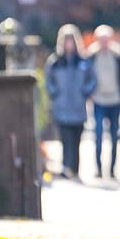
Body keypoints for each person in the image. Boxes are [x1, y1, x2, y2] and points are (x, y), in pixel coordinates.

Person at [45, 24, 96, 182]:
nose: (69, 45)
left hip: (78, 107)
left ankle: (75, 168)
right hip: (62, 107)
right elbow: (49, 82)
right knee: (65, 140)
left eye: (71, 41)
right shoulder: (55, 62)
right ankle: (66, 167)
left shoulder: (83, 60)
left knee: (76, 140)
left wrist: (85, 92)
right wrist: (55, 94)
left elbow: (92, 79)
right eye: (66, 41)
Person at [88, 25, 120, 179]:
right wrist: (90, 93)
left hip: (115, 99)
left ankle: (112, 169)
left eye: (106, 39)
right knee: (98, 135)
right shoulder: (91, 56)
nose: (104, 42)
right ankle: (99, 168)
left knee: (114, 136)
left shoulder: (119, 55)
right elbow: (87, 77)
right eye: (101, 39)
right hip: (99, 100)